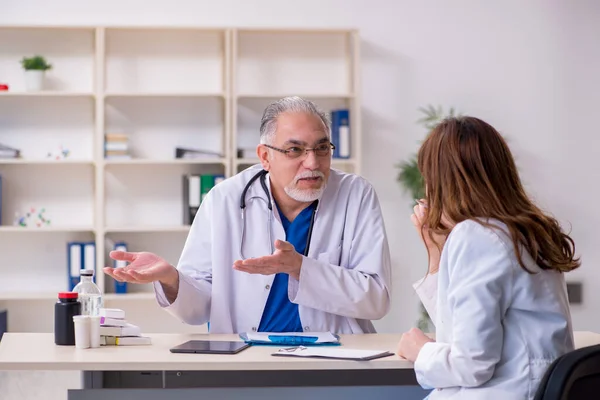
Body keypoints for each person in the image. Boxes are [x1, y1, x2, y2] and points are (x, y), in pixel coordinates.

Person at [104, 96, 392, 334]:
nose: (312, 162)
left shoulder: (356, 194)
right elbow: (200, 307)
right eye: (295, 150)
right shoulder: (225, 198)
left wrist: (299, 267)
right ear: (265, 156)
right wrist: (171, 279)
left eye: (321, 148)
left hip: (335, 360)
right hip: (248, 358)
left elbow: (376, 299)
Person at [396, 116, 580, 399]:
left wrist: (422, 352)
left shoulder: (477, 236)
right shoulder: (529, 230)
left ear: (442, 181)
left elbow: (471, 365)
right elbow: (458, 330)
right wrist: (436, 252)